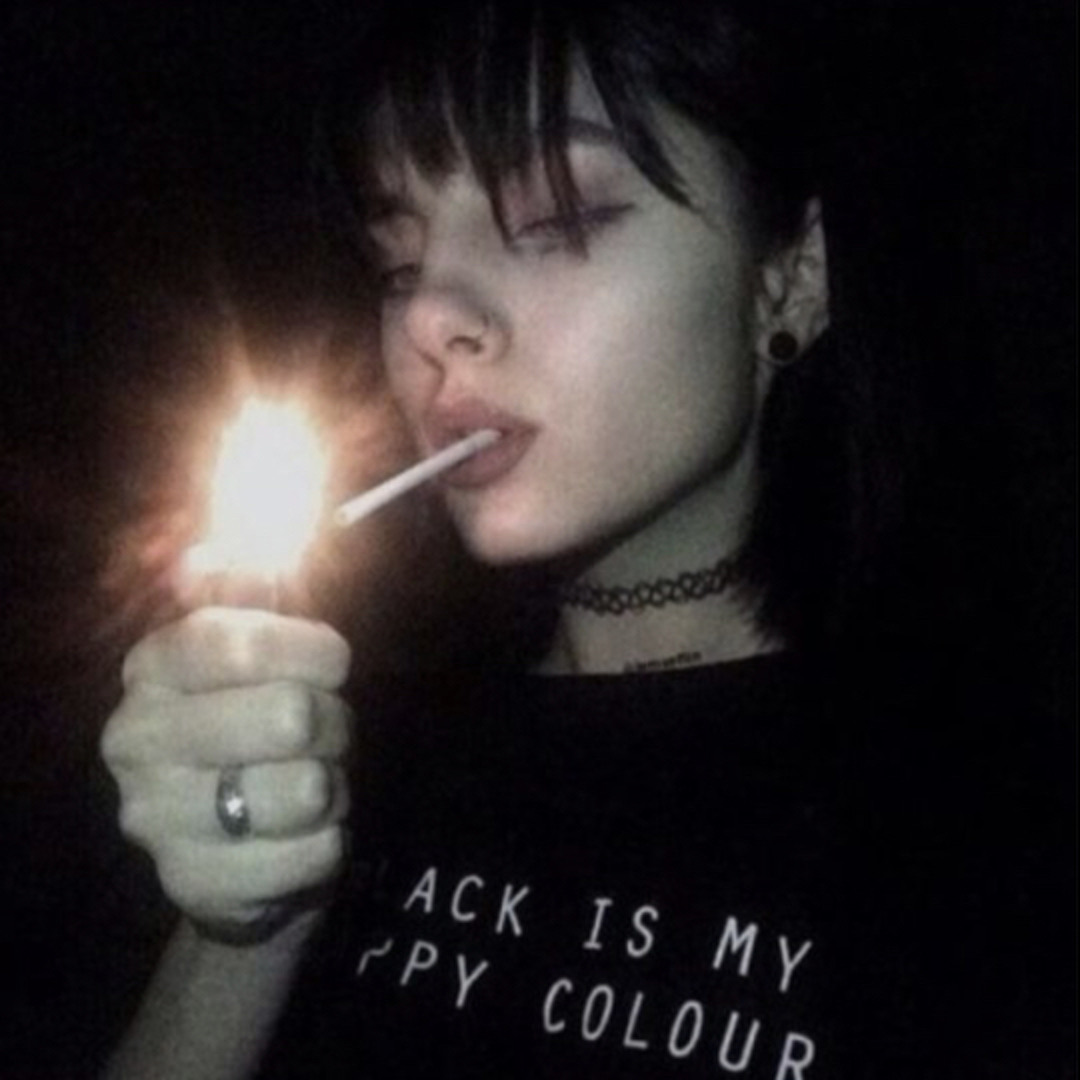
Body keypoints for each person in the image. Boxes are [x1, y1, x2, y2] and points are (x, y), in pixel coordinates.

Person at [98, 0, 1064, 1077]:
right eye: (399, 262)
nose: (429, 316)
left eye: (559, 218)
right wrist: (245, 922)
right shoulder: (339, 729)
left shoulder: (975, 818)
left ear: (789, 278)